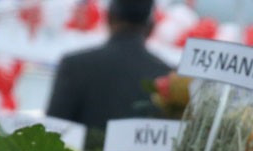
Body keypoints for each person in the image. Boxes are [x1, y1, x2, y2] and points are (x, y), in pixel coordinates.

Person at [46, 0, 171, 138]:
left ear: (109, 18)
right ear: (151, 28)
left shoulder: (74, 65)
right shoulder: (166, 76)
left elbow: (53, 130)